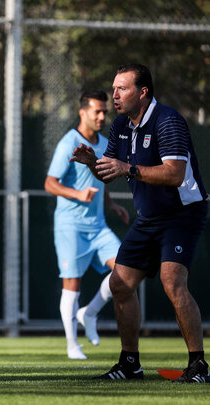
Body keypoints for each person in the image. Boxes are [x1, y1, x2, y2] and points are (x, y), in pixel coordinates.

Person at [72, 64, 208, 383]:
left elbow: (174, 174)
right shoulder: (121, 124)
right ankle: (130, 364)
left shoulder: (168, 120)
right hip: (149, 217)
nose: (115, 95)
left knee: (172, 282)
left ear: (143, 92)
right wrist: (93, 163)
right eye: (114, 88)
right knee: (120, 284)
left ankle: (199, 366)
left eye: (123, 88)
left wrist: (127, 168)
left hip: (182, 213)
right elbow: (111, 170)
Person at [45, 90, 129, 360]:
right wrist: (77, 194)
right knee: (72, 284)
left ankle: (89, 313)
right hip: (70, 225)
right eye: (97, 111)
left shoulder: (105, 143)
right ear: (83, 113)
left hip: (98, 225)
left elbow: (99, 181)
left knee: (126, 272)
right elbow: (50, 183)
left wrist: (112, 204)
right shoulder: (68, 142)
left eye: (105, 111)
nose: (102, 116)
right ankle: (72, 346)